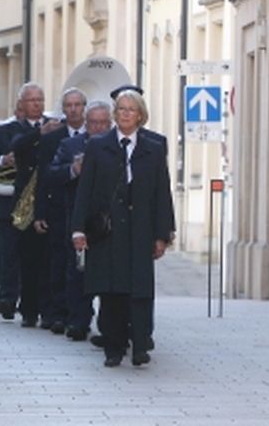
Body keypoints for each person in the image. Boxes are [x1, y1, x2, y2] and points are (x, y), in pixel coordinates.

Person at [71, 90, 175, 368]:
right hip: (107, 231)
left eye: (131, 109)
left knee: (139, 289)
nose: (125, 113)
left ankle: (140, 344)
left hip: (140, 230)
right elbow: (85, 190)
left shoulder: (152, 148)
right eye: (121, 109)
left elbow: (162, 193)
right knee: (111, 290)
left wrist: (163, 234)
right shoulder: (98, 146)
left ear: (140, 115)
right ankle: (113, 347)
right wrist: (78, 229)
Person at [0, 83, 53, 326]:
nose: (37, 104)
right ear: (21, 104)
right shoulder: (6, 131)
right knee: (11, 256)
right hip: (13, 205)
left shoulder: (54, 127)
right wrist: (2, 160)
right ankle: (8, 300)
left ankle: (39, 306)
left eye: (40, 99)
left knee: (43, 259)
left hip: (44, 204)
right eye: (31, 100)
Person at [44, 99, 113, 341]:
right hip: (77, 217)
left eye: (104, 123)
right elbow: (51, 175)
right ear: (86, 123)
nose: (99, 128)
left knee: (108, 277)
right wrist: (72, 170)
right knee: (76, 272)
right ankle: (78, 321)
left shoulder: (117, 146)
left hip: (108, 221)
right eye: (94, 123)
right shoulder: (69, 145)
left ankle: (108, 327)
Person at [25, 87, 88, 333]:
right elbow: (44, 177)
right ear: (63, 109)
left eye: (77, 105)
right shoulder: (53, 138)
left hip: (85, 210)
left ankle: (77, 314)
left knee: (78, 266)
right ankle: (56, 312)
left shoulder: (97, 134)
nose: (73, 109)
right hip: (58, 207)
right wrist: (39, 212)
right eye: (68, 105)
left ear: (84, 107)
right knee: (57, 263)